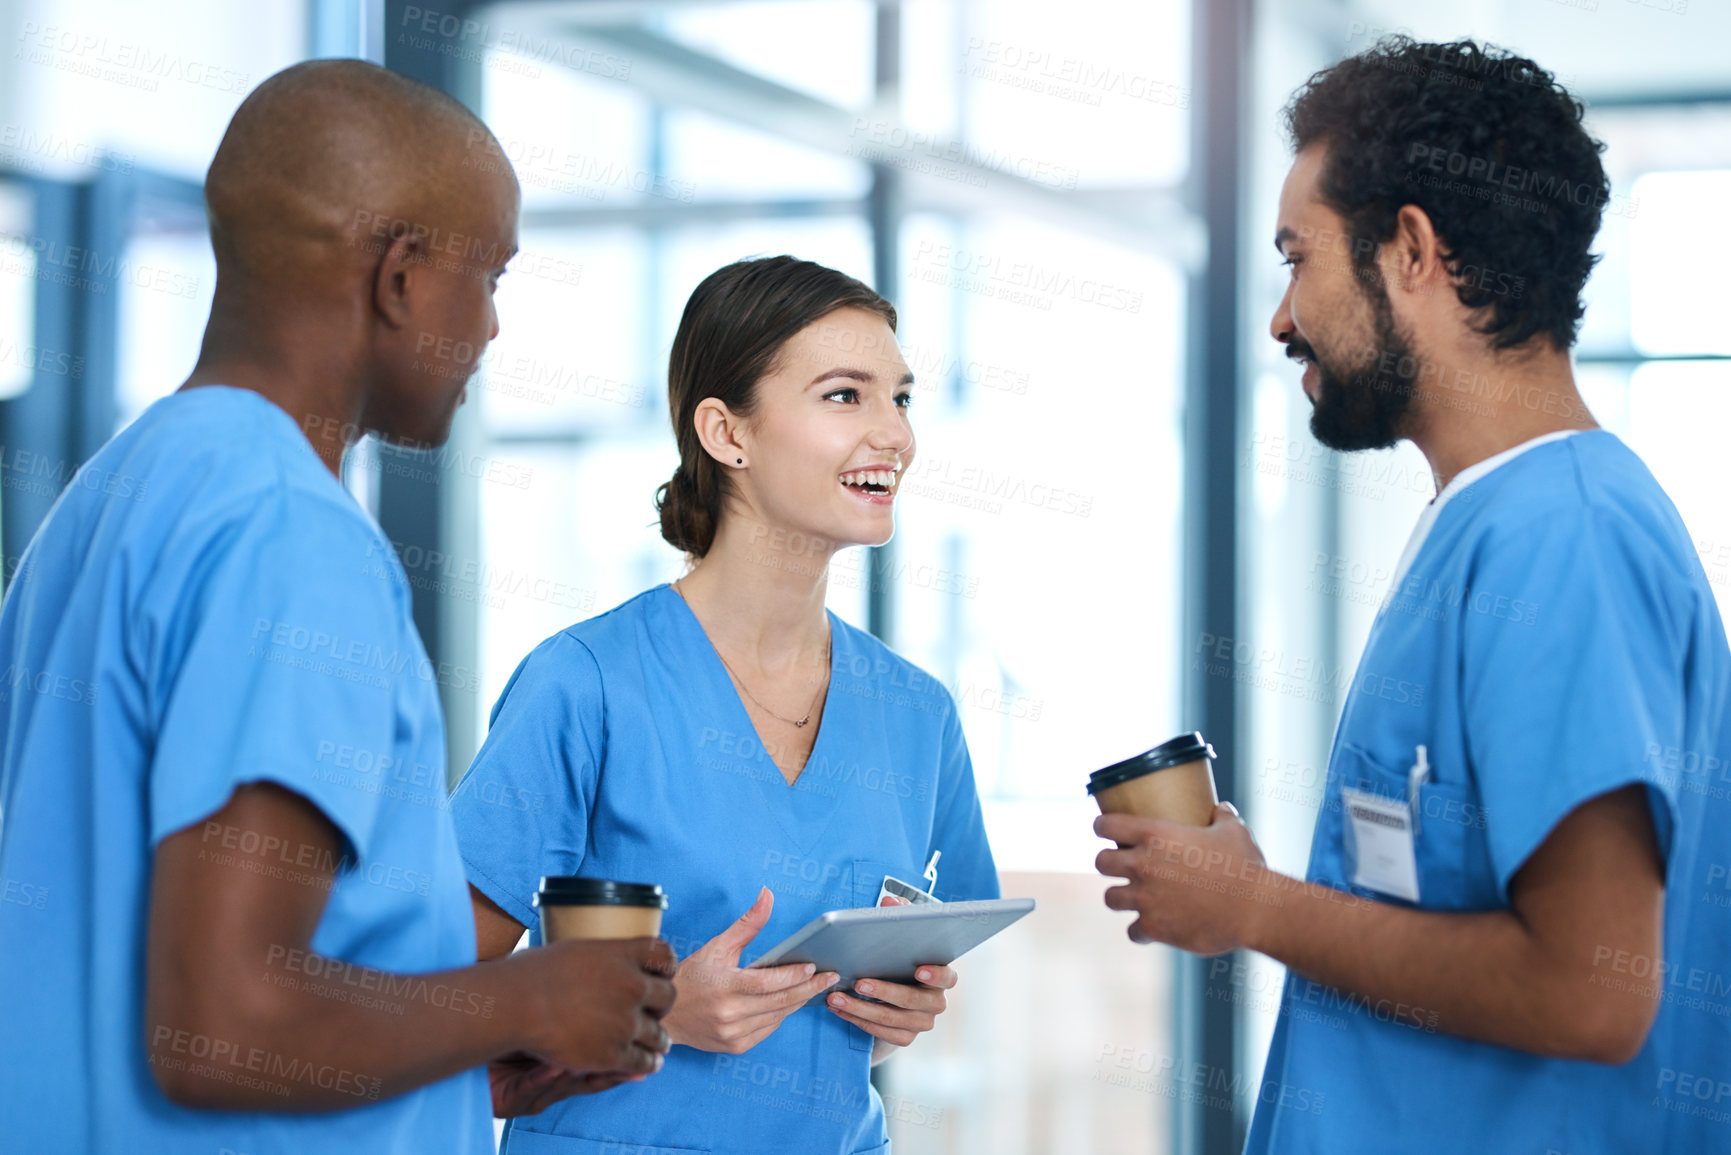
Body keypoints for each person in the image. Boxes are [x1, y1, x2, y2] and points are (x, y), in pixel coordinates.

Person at [0, 60, 676, 1154]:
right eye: (489, 277)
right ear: (401, 277)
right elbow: (222, 1028)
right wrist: (521, 999)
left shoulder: (117, 496)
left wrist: (454, 1057)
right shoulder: (292, 534)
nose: (494, 330)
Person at [1095, 37, 1730, 1154]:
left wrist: (1258, 908)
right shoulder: (1488, 521)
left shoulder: (1563, 538)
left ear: (1412, 251)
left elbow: (1592, 991)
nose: (1281, 319)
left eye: (1299, 259)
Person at [450, 255, 999, 1155]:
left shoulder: (917, 713)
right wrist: (652, 1015)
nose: (893, 435)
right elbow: (419, 1005)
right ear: (725, 432)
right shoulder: (584, 684)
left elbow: (930, 950)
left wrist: (910, 998)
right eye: (843, 395)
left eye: (899, 398)